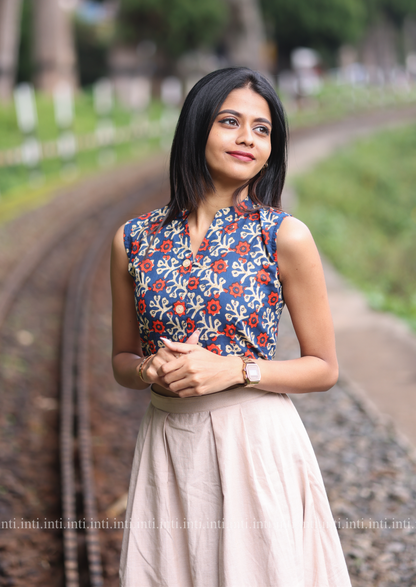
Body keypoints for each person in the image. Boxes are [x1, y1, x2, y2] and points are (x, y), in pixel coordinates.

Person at [111, 67, 352, 587]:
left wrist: (235, 371)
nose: (247, 138)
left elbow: (324, 368)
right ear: (198, 128)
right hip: (168, 444)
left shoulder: (283, 235)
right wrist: (148, 369)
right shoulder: (134, 239)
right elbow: (121, 361)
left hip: (254, 443)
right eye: (230, 121)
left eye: (262, 129)